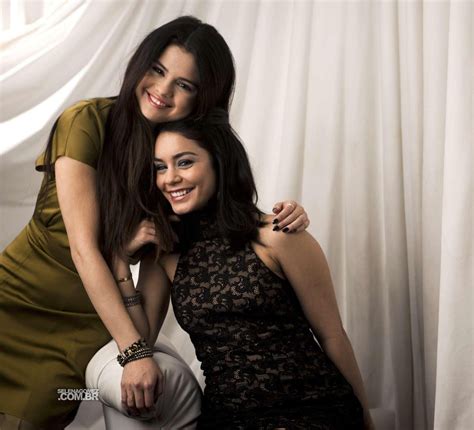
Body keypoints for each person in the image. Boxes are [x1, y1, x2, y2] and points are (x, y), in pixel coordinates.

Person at [0, 16, 310, 430]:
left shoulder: (171, 169)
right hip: (16, 302)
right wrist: (133, 353)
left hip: (90, 328)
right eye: (158, 70)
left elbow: (220, 223)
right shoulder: (86, 121)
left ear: (204, 99)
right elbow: (82, 247)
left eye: (185, 84)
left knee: (38, 413)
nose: (162, 91)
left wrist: (280, 216)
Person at [111, 112, 376, 429]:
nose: (169, 178)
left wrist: (366, 420)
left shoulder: (278, 236)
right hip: (226, 418)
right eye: (160, 167)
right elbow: (141, 340)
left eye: (184, 162)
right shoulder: (165, 253)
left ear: (219, 164)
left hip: (312, 409)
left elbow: (332, 335)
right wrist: (121, 264)